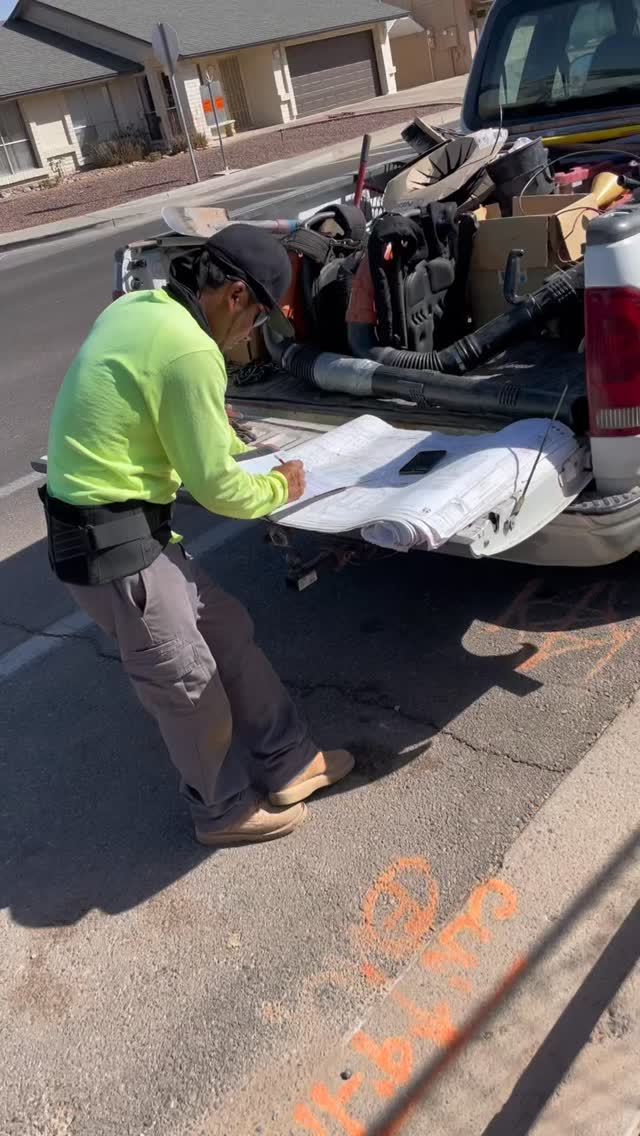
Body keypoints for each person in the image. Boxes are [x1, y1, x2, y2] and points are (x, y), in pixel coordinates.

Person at [40, 223, 353, 846]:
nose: (251, 335)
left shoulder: (140, 307)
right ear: (235, 295)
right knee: (188, 684)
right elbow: (217, 491)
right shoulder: (192, 352)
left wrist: (215, 423)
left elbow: (142, 402)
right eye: (258, 318)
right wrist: (282, 487)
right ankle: (222, 811)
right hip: (113, 546)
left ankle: (290, 762)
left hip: (135, 530)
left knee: (227, 631)